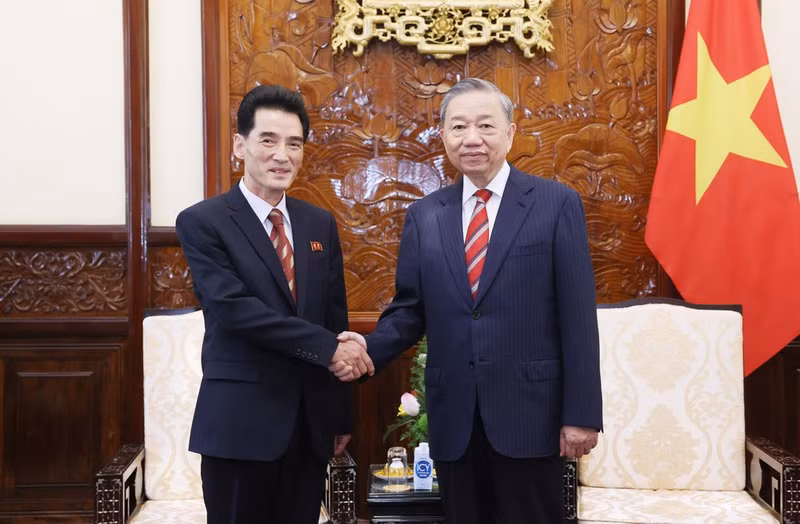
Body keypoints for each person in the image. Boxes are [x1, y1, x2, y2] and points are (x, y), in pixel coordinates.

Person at [335, 78, 603, 523]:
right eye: (458, 127)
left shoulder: (556, 205)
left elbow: (578, 318)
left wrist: (581, 415)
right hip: (455, 419)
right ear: (443, 137)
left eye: (485, 125)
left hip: (531, 419)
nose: (471, 138)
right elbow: (409, 311)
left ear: (511, 133)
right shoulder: (425, 216)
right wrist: (365, 351)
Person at [176, 84, 374, 524]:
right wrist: (328, 349)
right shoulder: (203, 222)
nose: (281, 155)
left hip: (309, 426)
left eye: (294, 143)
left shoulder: (317, 222)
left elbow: (334, 318)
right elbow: (234, 309)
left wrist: (339, 415)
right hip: (239, 427)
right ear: (239, 145)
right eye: (268, 140)